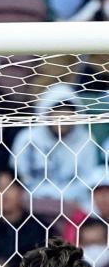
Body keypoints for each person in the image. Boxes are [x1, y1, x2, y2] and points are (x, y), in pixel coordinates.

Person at [11, 84, 97, 215]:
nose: (62, 119)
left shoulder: (86, 139)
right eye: (58, 113)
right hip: (30, 204)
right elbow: (18, 174)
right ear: (47, 113)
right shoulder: (28, 137)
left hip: (72, 204)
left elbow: (88, 179)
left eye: (68, 114)